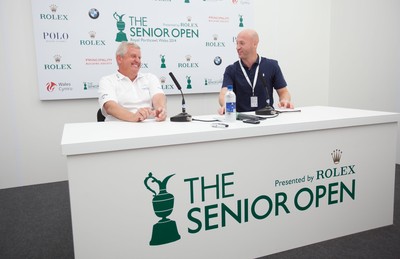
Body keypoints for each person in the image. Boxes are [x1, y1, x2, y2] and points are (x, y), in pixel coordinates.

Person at [218, 29, 294, 115]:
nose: (238, 47)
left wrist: (285, 100)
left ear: (255, 44)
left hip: (268, 117)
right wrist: (225, 104)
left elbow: (284, 92)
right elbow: (224, 93)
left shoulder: (272, 65)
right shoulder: (231, 69)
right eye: (237, 43)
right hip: (241, 120)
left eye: (242, 43)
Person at [98, 41, 167, 122]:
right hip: (118, 130)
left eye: (139, 57)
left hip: (148, 127)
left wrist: (160, 109)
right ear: (119, 59)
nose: (137, 60)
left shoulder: (150, 77)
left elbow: (158, 96)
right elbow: (110, 107)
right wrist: (133, 117)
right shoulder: (107, 81)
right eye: (133, 56)